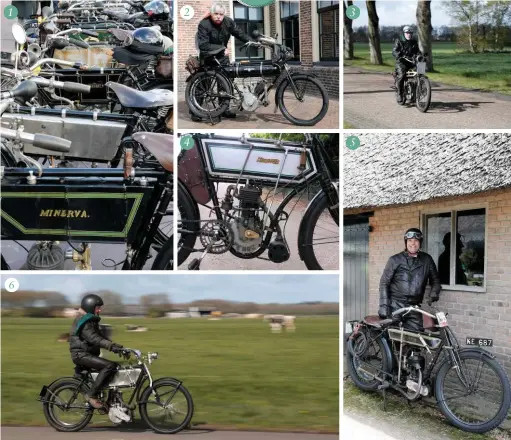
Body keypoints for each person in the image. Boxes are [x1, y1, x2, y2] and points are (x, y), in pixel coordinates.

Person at [190, 2, 250, 121]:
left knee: (225, 83)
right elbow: (203, 45)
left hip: (222, 57)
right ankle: (195, 112)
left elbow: (239, 33)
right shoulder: (204, 24)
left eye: (221, 14)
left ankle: (224, 110)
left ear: (224, 15)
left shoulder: (228, 22)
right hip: (208, 57)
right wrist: (222, 48)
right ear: (211, 13)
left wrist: (251, 41)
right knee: (203, 84)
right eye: (216, 14)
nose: (218, 16)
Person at [378, 228, 441, 332]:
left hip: (414, 307)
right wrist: (383, 306)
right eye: (410, 240)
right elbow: (384, 283)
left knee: (416, 336)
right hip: (395, 305)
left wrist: (434, 293)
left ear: (420, 243)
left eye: (416, 241)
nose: (413, 243)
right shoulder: (394, 260)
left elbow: (436, 280)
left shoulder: (427, 260)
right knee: (392, 336)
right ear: (406, 242)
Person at [69, 294, 124, 409]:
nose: (100, 310)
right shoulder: (84, 321)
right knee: (109, 366)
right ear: (90, 306)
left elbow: (101, 337)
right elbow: (94, 338)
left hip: (86, 354)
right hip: (81, 355)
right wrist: (111, 346)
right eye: (97, 307)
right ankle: (91, 395)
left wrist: (118, 348)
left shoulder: (90, 320)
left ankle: (110, 400)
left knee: (116, 367)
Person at [392, 25, 422, 105]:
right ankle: (400, 94)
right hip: (402, 61)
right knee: (402, 75)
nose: (409, 34)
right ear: (404, 33)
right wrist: (398, 55)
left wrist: (420, 55)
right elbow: (394, 51)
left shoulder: (414, 42)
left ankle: (420, 88)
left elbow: (417, 51)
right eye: (407, 33)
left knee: (421, 72)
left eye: (410, 33)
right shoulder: (399, 40)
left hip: (411, 61)